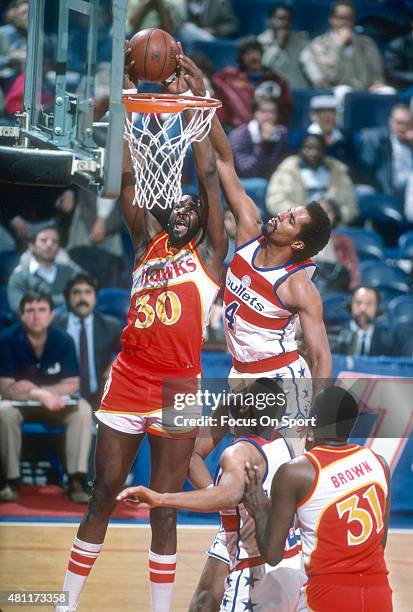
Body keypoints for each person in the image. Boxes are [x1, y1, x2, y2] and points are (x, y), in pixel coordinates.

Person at [54, 50, 227, 612]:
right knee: (103, 492)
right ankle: (65, 601)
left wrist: (190, 103)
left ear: (202, 222)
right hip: (130, 377)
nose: (181, 209)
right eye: (174, 205)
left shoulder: (210, 257)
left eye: (190, 209)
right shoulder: (145, 242)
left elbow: (205, 175)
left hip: (180, 388)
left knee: (166, 504)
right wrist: (128, 99)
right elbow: (129, 177)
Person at [178, 53, 332, 452]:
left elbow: (321, 358)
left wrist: (315, 412)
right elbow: (226, 164)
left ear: (297, 244)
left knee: (258, 469)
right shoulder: (249, 229)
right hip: (240, 372)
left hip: (279, 379)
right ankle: (233, 516)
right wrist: (203, 97)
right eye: (287, 210)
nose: (280, 214)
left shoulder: (298, 286)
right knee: (195, 454)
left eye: (291, 219)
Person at [117, 379, 306, 611]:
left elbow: (228, 494)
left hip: (253, 570)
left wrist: (160, 498)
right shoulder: (286, 445)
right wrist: (213, 495)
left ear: (246, 407)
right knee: (203, 601)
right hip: (291, 562)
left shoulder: (239, 453)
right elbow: (201, 467)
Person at [243, 386, 392, 612]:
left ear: (313, 422)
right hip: (378, 593)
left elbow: (272, 554)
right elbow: (379, 543)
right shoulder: (379, 463)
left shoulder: (296, 472)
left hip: (329, 595)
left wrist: (261, 512)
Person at [0, 291, 92, 503]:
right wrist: (38, 393)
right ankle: (10, 481)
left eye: (41, 310)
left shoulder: (64, 340)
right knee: (3, 411)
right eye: (30, 310)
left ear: (51, 315)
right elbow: (6, 388)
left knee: (83, 410)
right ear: (22, 315)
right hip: (19, 406)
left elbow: (72, 384)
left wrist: (36, 390)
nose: (36, 316)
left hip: (56, 406)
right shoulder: (6, 339)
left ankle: (76, 480)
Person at [54, 273, 122, 409]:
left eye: (88, 292)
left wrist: (115, 366)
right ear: (68, 298)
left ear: (95, 298)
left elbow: (129, 353)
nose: (82, 298)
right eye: (76, 293)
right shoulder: (55, 325)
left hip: (100, 398)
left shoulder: (110, 326)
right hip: (62, 398)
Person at [300, 0, 391, 93]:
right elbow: (329, 77)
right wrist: (339, 46)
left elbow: (377, 75)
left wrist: (377, 84)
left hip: (365, 92)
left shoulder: (367, 43)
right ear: (331, 19)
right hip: (334, 92)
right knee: (344, 91)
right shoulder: (319, 44)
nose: (345, 23)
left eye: (349, 19)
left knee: (388, 91)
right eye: (340, 18)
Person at [266, 133, 358, 224]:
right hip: (298, 228)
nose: (314, 153)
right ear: (300, 149)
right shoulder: (287, 170)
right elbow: (275, 202)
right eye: (309, 148)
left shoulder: (338, 171)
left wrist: (336, 215)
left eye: (318, 149)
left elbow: (351, 206)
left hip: (334, 227)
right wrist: (304, 215)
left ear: (324, 151)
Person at [212, 36, 293, 129]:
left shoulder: (277, 81)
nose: (253, 57)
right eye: (247, 54)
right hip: (236, 130)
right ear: (241, 58)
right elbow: (215, 93)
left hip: (268, 130)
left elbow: (285, 110)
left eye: (255, 52)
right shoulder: (228, 77)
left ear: (261, 53)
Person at [6, 224, 81, 316]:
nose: (50, 244)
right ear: (31, 246)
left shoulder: (70, 272)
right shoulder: (19, 277)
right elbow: (18, 307)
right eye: (43, 240)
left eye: (54, 241)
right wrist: (67, 300)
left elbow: (88, 293)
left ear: (58, 249)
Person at [357, 104, 413, 200]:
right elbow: (366, 170)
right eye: (399, 123)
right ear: (390, 122)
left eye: (407, 123)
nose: (403, 127)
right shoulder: (379, 140)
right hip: (389, 190)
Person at [228, 95, 288, 180]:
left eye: (272, 112)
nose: (268, 116)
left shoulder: (281, 133)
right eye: (263, 111)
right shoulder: (239, 135)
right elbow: (248, 172)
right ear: (254, 113)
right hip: (243, 181)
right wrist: (263, 145)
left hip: (271, 178)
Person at [258, 2, 309, 88]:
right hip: (272, 89)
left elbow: (310, 63)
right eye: (281, 19)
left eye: (288, 20)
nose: (285, 23)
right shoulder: (260, 41)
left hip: (297, 87)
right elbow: (263, 65)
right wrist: (278, 46)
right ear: (271, 20)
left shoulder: (301, 41)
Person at [331, 286, 393, 356]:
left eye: (369, 303)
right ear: (350, 305)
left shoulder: (388, 340)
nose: (363, 308)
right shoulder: (336, 335)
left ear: (378, 308)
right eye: (358, 303)